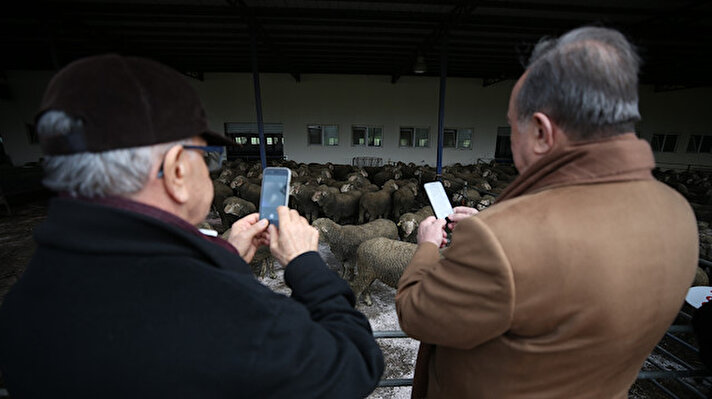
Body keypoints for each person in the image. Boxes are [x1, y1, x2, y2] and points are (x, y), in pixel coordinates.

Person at [0, 54, 383, 398]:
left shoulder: (22, 302)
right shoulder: (222, 312)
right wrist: (307, 265)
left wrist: (223, 255)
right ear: (178, 169)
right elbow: (353, 364)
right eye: (209, 157)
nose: (211, 169)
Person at [396, 26, 699, 398]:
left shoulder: (503, 240)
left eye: (512, 127)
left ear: (541, 132)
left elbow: (416, 314)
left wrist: (429, 245)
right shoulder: (678, 213)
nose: (512, 137)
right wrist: (501, 229)